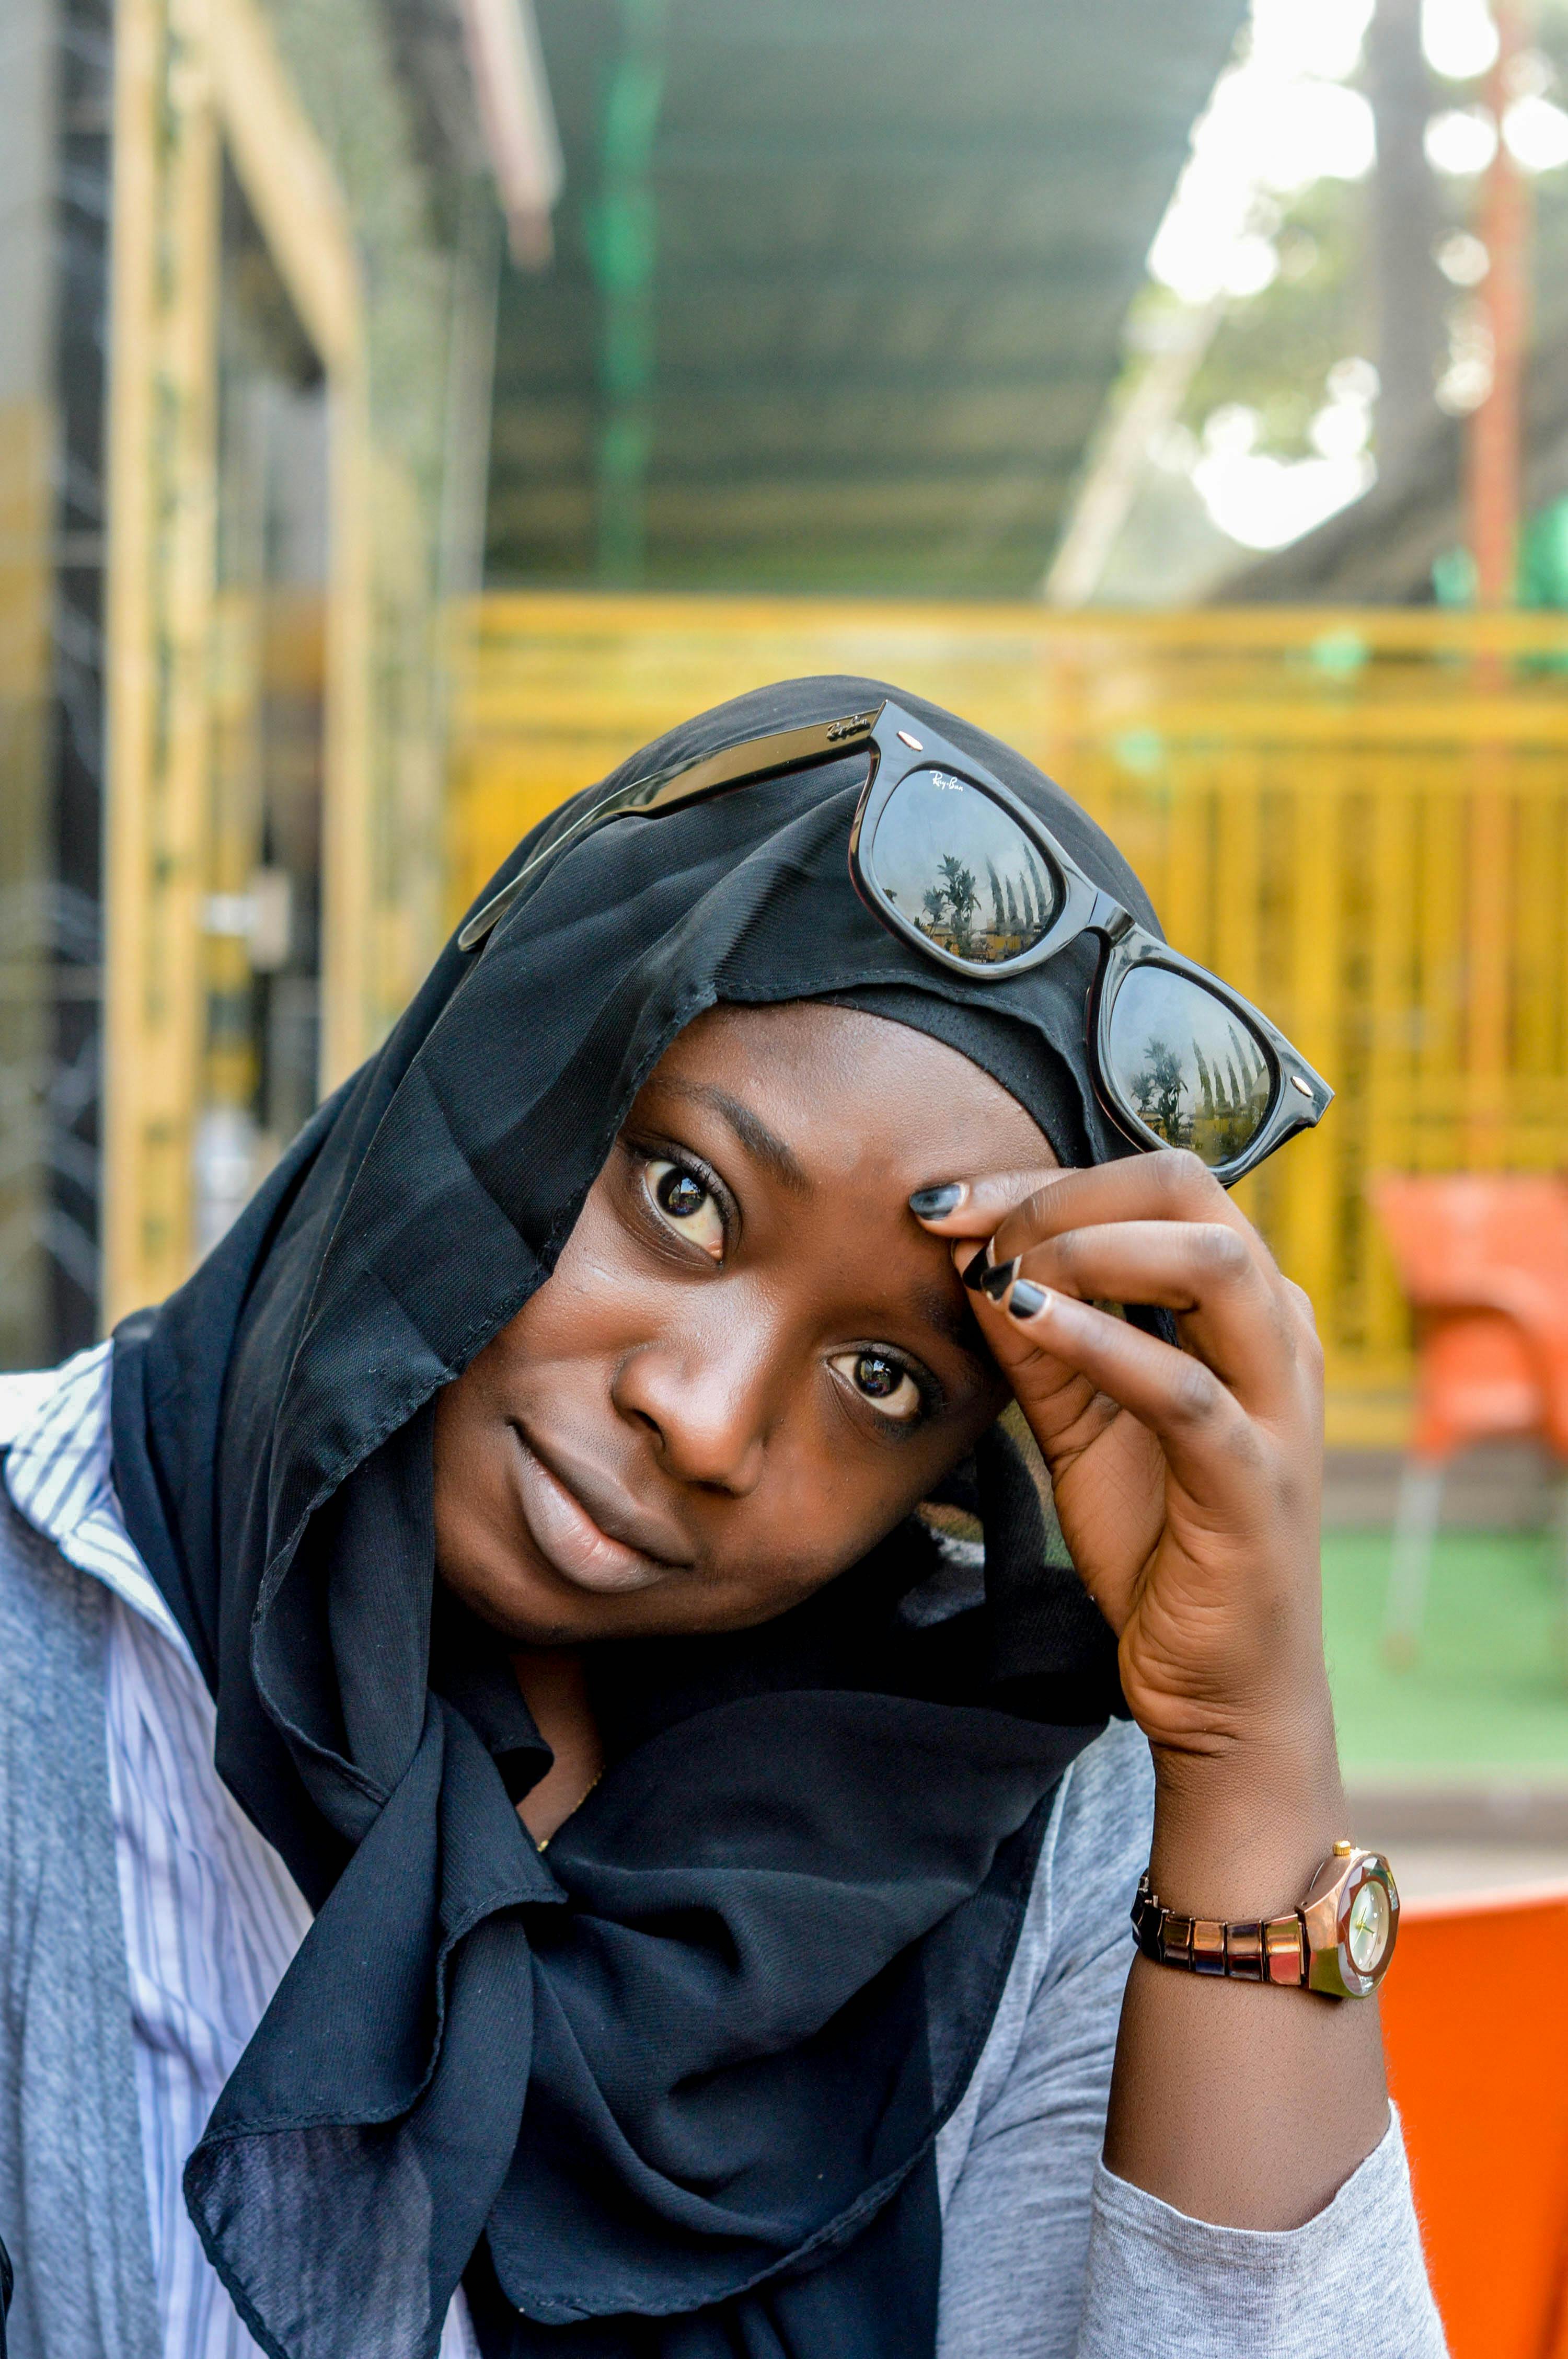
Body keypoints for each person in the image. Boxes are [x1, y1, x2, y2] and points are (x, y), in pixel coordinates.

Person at [0, 679, 1445, 2359]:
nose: (703, 1418)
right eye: (682, 1196)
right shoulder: (45, 1601)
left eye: (885, 1378)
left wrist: (1246, 1751)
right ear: (510, 1060)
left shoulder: (1011, 1833)